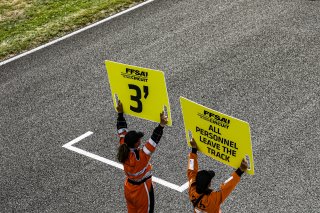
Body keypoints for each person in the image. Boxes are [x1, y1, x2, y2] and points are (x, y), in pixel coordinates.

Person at [116, 100, 168, 213]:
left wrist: (120, 113)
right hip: (141, 190)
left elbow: (121, 130)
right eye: (139, 139)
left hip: (129, 188)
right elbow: (153, 141)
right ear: (136, 143)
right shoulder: (140, 157)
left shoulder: (124, 145)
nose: (141, 140)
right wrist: (161, 125)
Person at [187, 138, 248, 213]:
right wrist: (240, 170)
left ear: (196, 180)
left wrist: (193, 149)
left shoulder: (192, 189)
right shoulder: (212, 199)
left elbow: (191, 170)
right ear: (209, 184)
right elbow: (227, 186)